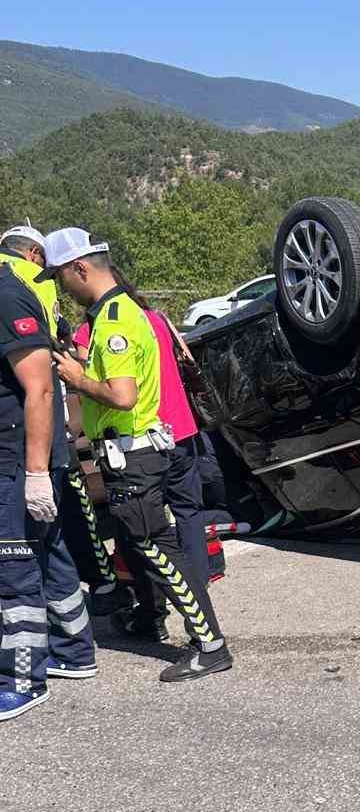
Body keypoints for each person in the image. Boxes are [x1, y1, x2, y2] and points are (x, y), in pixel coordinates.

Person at [40, 230, 232, 684]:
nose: (62, 286)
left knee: (158, 551)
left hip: (136, 455)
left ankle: (210, 644)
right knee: (155, 547)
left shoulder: (115, 323)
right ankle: (170, 625)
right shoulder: (128, 312)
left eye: (62, 276)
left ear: (81, 268)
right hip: (149, 449)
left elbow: (122, 397)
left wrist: (75, 377)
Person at [73, 269, 212, 643]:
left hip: (139, 438)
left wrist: (75, 375)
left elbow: (117, 393)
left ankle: (177, 618)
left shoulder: (102, 325)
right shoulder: (154, 318)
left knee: (146, 539)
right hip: (180, 429)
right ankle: (197, 601)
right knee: (185, 518)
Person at [0, 263, 97, 720]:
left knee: (13, 570)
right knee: (50, 551)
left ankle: (22, 679)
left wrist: (37, 472)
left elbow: (39, 389)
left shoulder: (5, 295)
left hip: (18, 459)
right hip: (28, 456)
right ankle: (75, 651)